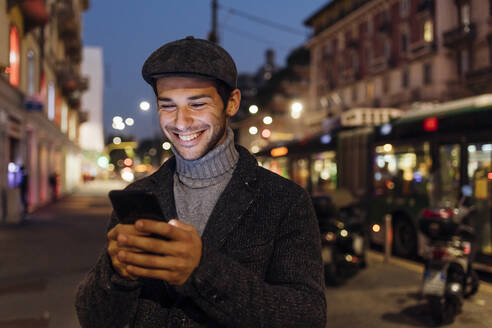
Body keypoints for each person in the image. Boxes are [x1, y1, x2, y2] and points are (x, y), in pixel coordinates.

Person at [75, 36, 326, 327]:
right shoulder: (139, 195)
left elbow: (308, 317)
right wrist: (117, 274)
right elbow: (93, 319)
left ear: (232, 103)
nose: (181, 122)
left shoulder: (284, 200)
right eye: (167, 106)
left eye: (197, 104)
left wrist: (201, 269)